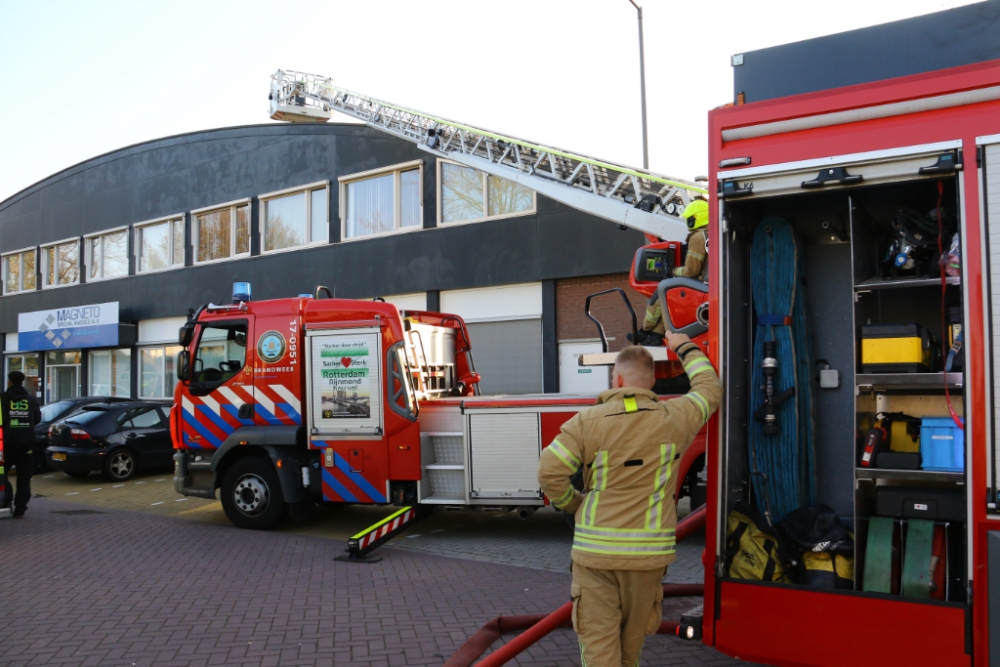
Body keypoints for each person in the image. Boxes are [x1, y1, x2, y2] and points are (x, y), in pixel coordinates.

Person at [538, 333, 722, 667]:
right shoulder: (676, 416)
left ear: (617, 379)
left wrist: (574, 503)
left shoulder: (586, 422)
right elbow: (710, 388)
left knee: (598, 646)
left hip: (595, 556)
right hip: (647, 558)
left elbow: (549, 472)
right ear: (651, 381)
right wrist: (685, 346)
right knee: (630, 647)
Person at [632, 199, 710, 346]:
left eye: (690, 217)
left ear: (698, 217)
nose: (688, 220)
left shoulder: (698, 237)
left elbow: (690, 271)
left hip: (699, 286)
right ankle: (656, 334)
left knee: (662, 289)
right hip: (708, 285)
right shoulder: (712, 234)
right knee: (668, 293)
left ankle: (645, 330)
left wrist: (674, 270)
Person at [2, 371, 42, 518]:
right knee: (24, 477)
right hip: (27, 443)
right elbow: (37, 419)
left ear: (9, 382)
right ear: (23, 382)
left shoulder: (3, 399)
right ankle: (20, 509)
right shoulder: (31, 399)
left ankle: (6, 499)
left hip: (7, 443)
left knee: (2, 473)